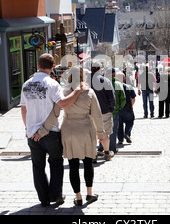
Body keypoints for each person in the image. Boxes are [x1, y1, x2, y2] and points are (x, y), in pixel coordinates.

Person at [20, 53, 87, 207]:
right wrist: (76, 92)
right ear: (51, 67)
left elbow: (23, 110)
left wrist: (27, 127)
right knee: (56, 163)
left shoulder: (26, 84)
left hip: (32, 133)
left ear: (38, 65)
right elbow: (62, 104)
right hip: (51, 132)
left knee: (38, 167)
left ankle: (43, 199)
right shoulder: (52, 84)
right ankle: (56, 195)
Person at [61, 66, 105, 206]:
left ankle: (78, 196)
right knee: (87, 162)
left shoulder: (64, 91)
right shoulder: (89, 92)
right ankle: (89, 193)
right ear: (82, 76)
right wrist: (101, 133)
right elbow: (97, 114)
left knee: (73, 164)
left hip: (68, 128)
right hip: (85, 128)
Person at [90, 61, 115, 161]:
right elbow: (112, 97)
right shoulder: (105, 81)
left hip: (90, 112)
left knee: (92, 133)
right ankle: (107, 153)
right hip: (104, 111)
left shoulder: (85, 81)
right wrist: (111, 109)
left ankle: (93, 154)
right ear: (100, 69)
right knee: (104, 133)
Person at [107, 67, 126, 152]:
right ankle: (112, 148)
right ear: (114, 74)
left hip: (103, 110)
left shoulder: (102, 83)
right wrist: (119, 107)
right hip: (114, 110)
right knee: (113, 130)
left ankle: (102, 146)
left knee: (103, 129)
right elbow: (123, 98)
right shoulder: (118, 84)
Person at [117, 71, 136, 144]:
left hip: (118, 109)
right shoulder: (128, 87)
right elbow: (133, 98)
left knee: (119, 124)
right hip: (127, 108)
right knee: (130, 121)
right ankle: (127, 133)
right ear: (124, 78)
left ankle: (120, 139)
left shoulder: (114, 87)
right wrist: (131, 106)